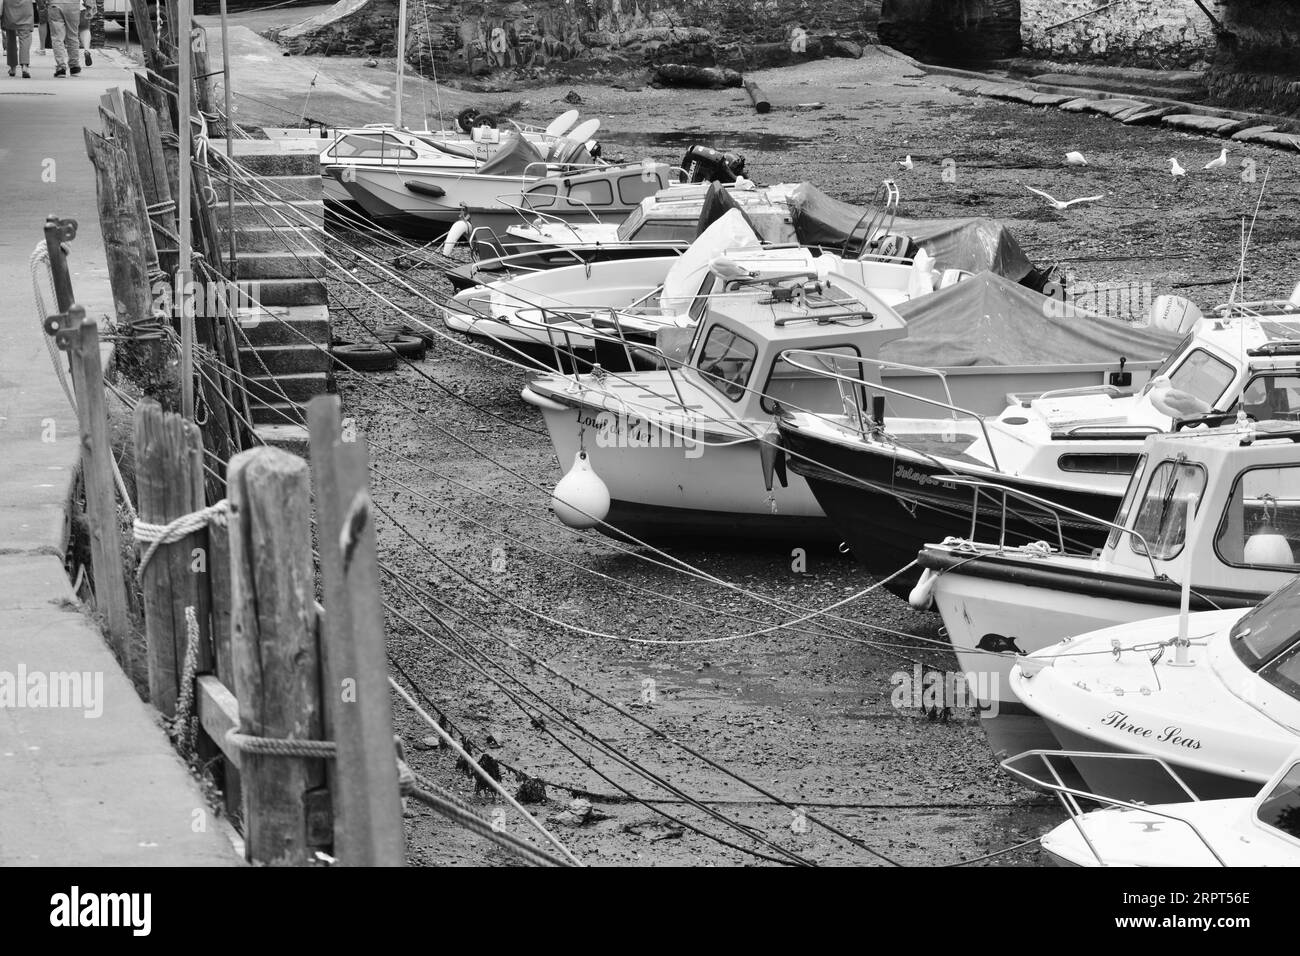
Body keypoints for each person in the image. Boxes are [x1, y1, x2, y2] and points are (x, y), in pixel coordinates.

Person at [44, 0, 77, 76]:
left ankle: (61, 67)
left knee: (57, 37)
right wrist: (89, 5)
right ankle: (74, 66)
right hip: (73, 5)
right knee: (73, 35)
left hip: (55, 3)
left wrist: (42, 4)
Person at [2, 0, 33, 77]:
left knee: (10, 37)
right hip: (26, 6)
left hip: (9, 5)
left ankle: (12, 68)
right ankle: (25, 67)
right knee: (25, 37)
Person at [76, 0, 87, 65]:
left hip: (65, 6)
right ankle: (86, 50)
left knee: (72, 31)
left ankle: (74, 56)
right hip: (81, 5)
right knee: (85, 28)